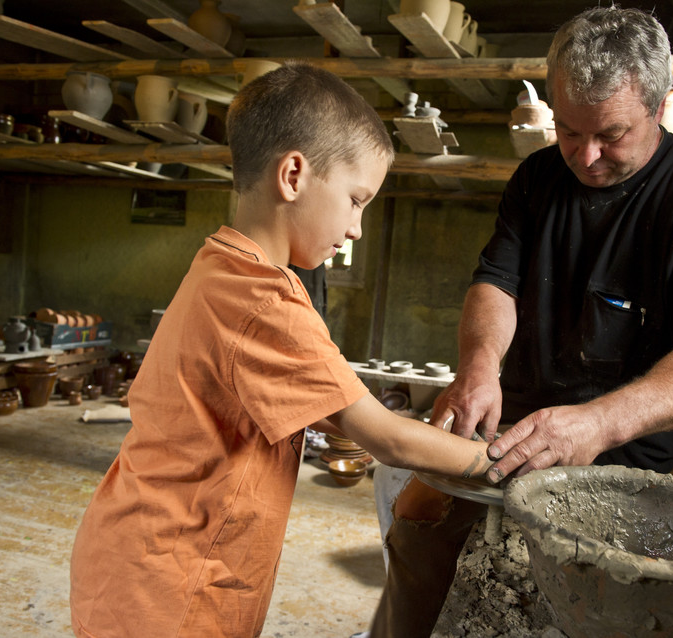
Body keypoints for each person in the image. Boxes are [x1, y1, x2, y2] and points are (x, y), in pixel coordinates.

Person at [367, 6, 673, 637]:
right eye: (567, 129)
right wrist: (477, 371)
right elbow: (497, 283)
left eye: (610, 134)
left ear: (660, 106)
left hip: (620, 466)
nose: (584, 154)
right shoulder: (538, 178)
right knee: (418, 524)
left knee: (542, 604)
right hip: (509, 434)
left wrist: (600, 422)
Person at [68, 63, 495, 638]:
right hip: (175, 588)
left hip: (136, 554)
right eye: (355, 199)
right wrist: (501, 467)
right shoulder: (263, 300)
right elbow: (386, 437)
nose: (357, 229)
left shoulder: (223, 265)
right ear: (293, 174)